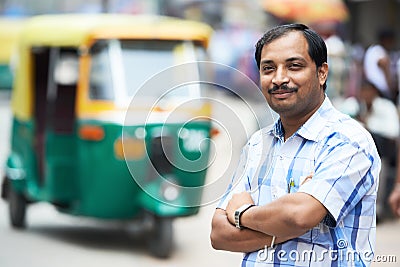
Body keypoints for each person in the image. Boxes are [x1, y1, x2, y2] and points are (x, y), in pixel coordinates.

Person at [210, 24, 381, 266]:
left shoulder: (348, 141)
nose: (279, 78)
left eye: (294, 66)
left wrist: (241, 214)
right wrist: (284, 220)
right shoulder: (258, 145)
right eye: (268, 68)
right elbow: (219, 234)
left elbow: (298, 215)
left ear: (322, 73)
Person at [363, 28, 396, 101]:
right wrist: (391, 88)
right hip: (379, 90)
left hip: (370, 87)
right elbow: (384, 65)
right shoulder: (380, 51)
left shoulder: (371, 49)